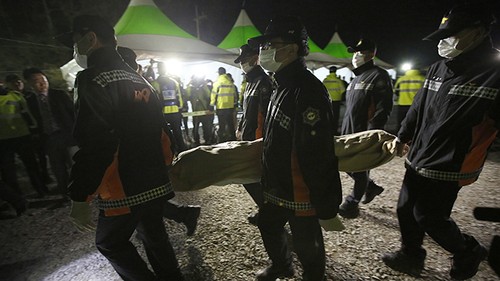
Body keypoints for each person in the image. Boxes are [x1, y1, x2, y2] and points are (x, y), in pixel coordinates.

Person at [60, 14, 184, 280]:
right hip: (154, 180)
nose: (74, 49)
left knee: (110, 242)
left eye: (75, 41)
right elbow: (163, 131)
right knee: (154, 234)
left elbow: (96, 141)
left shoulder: (92, 79)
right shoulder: (140, 79)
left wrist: (80, 194)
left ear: (90, 38)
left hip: (122, 184)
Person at [382, 3, 499, 280]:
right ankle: (411, 255)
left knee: (429, 217)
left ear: (479, 32)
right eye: (442, 36)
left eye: (453, 34)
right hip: (419, 154)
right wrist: (403, 135)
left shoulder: (494, 74)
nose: (445, 41)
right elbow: (418, 107)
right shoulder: (438, 68)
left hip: (452, 161)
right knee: (405, 209)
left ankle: (468, 250)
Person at [248, 15, 342, 281]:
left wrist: (324, 201)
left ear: (292, 49)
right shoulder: (281, 83)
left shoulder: (308, 89)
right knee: (268, 224)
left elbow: (317, 151)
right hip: (277, 183)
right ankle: (282, 266)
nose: (263, 51)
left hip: (300, 188)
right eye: (263, 46)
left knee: (307, 243)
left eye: (270, 45)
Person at [117, 46, 201, 236]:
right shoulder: (151, 84)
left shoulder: (142, 86)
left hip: (144, 151)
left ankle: (179, 217)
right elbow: (178, 99)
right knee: (149, 199)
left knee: (143, 200)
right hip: (168, 127)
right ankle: (183, 214)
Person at [338, 38, 393, 218]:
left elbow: (383, 107)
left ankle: (352, 203)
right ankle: (371, 187)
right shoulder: (356, 78)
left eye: (359, 52)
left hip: (364, 132)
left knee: (360, 169)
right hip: (349, 130)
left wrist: (373, 133)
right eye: (354, 53)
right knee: (346, 164)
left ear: (371, 54)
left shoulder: (379, 75)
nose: (355, 56)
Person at [23, 68, 78, 196]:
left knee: (75, 164)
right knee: (58, 168)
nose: (42, 83)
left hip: (67, 135)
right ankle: (65, 192)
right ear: (30, 84)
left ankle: (82, 190)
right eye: (37, 81)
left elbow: (73, 113)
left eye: (44, 80)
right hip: (49, 138)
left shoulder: (59, 94)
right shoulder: (30, 101)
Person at [234, 43, 273, 226]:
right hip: (249, 138)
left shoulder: (264, 82)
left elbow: (267, 115)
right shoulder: (250, 82)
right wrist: (240, 129)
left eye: (245, 59)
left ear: (255, 58)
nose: (242, 63)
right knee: (253, 178)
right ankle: (267, 209)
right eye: (241, 61)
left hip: (259, 140)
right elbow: (247, 110)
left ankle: (269, 212)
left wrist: (262, 140)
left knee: (250, 177)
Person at [0, 74, 48, 197]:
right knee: (26, 167)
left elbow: (28, 116)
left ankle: (23, 195)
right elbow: (29, 117)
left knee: (11, 171)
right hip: (17, 138)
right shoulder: (16, 96)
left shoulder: (16, 96)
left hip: (14, 138)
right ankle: (38, 191)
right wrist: (34, 131)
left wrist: (34, 131)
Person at [153, 62, 187, 152]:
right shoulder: (174, 82)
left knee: (165, 135)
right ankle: (182, 152)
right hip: (175, 111)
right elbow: (179, 96)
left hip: (163, 113)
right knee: (178, 133)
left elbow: (155, 99)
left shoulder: (155, 83)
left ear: (158, 70)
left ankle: (171, 153)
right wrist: (180, 107)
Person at [210, 67, 237, 142]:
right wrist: (234, 104)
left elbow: (214, 94)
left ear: (219, 73)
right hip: (230, 107)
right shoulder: (230, 82)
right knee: (230, 125)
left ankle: (222, 141)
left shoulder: (217, 82)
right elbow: (234, 95)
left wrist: (211, 105)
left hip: (221, 107)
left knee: (222, 125)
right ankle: (233, 140)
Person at [393, 68, 425, 133]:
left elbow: (396, 91)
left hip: (402, 104)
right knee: (415, 123)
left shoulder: (401, 79)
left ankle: (400, 137)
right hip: (416, 105)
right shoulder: (422, 79)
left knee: (401, 122)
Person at [186, 75, 214, 146]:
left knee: (206, 128)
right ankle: (197, 141)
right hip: (196, 112)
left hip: (205, 112)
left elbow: (208, 95)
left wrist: (204, 85)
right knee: (195, 129)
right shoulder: (192, 89)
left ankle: (207, 140)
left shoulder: (204, 88)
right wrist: (189, 84)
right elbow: (187, 95)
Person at [322, 66, 346, 134]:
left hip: (327, 101)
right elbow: (343, 90)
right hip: (336, 101)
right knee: (335, 117)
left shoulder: (325, 80)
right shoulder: (338, 81)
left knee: (327, 116)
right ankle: (334, 131)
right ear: (335, 72)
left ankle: (327, 130)